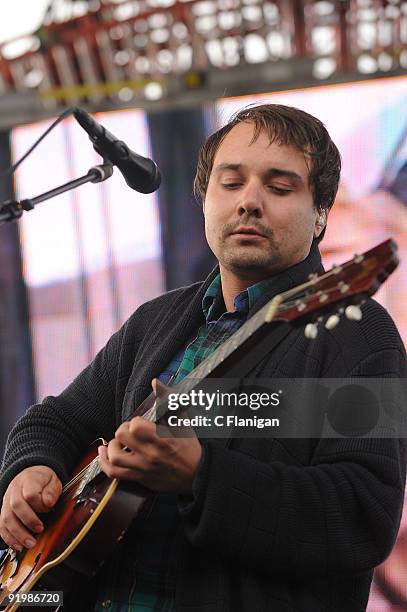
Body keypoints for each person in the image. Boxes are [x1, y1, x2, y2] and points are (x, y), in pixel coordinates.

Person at [0, 104, 405, 612]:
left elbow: (360, 514)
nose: (249, 203)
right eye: (230, 183)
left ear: (321, 212)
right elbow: (56, 420)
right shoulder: (157, 320)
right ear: (204, 199)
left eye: (280, 188)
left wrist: (201, 477)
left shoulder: (359, 331)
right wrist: (30, 468)